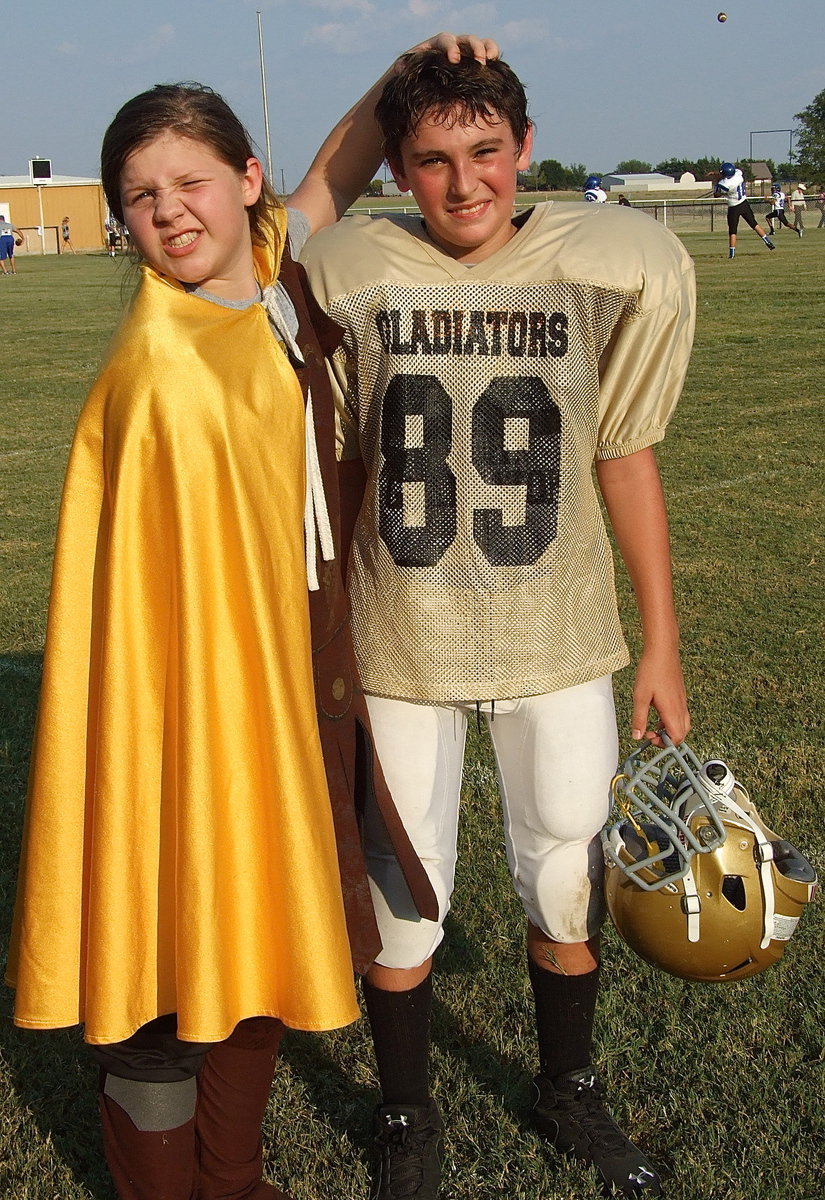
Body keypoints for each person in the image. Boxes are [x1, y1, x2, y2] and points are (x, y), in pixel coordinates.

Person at [6, 34, 494, 1200]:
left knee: (258, 939)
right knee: (176, 960)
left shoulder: (263, 283)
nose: (169, 211)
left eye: (188, 181)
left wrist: (415, 68)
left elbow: (339, 169)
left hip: (282, 689)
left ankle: (236, 1178)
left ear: (243, 181)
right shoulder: (162, 367)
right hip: (191, 715)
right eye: (140, 195)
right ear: (121, 220)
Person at [302, 49, 694, 1200]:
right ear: (401, 166)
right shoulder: (353, 272)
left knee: (566, 879)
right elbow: (339, 469)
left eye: (483, 153)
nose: (461, 182)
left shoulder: (606, 265)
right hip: (403, 636)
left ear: (525, 149)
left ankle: (564, 1087)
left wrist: (661, 639)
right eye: (428, 159)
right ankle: (408, 1110)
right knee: (400, 908)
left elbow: (623, 453)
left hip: (558, 631)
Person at [714, 162, 774, 257]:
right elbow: (734, 171)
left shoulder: (725, 183)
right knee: (754, 224)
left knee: (733, 231)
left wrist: (716, 185)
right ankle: (767, 240)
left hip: (734, 206)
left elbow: (716, 194)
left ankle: (732, 253)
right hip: (744, 203)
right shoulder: (738, 174)